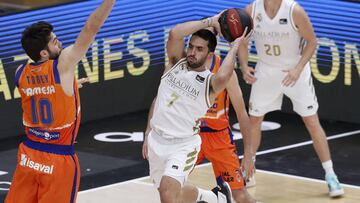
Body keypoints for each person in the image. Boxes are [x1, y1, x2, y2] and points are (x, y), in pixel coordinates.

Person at [5, 1, 116, 202]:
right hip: (58, 159)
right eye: (55, 42)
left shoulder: (20, 73)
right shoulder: (62, 65)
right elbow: (91, 28)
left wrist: (71, 87)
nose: (61, 44)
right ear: (44, 53)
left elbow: (39, 92)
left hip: (29, 156)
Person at [239, 0, 344, 197]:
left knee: (312, 121)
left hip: (294, 72)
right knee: (255, 120)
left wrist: (298, 68)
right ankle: (249, 169)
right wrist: (244, 66)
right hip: (266, 70)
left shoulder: (294, 11)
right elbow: (242, 41)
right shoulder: (251, 10)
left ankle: (331, 175)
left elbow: (312, 42)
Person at [142, 13, 251, 203]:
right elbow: (175, 34)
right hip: (157, 140)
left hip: (184, 144)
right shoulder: (176, 63)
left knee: (168, 193)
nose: (192, 52)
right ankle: (214, 198)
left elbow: (225, 77)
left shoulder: (210, 83)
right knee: (170, 193)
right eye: (190, 46)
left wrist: (235, 47)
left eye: (199, 49)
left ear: (210, 53)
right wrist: (210, 20)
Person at [193, 27, 256, 203]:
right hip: (191, 136)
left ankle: (216, 198)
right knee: (171, 186)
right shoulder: (186, 66)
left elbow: (242, 114)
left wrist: (249, 154)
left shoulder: (225, 71)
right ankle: (212, 199)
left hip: (219, 138)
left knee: (240, 195)